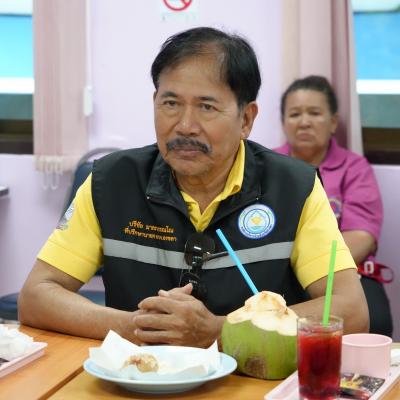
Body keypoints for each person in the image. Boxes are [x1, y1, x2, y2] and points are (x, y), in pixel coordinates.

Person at [19, 28, 369, 348]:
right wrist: (137, 326)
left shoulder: (294, 187)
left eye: (206, 107)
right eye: (170, 104)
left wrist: (218, 330)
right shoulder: (111, 181)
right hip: (138, 376)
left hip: (252, 379)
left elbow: (350, 311)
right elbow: (36, 295)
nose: (185, 126)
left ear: (246, 119)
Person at [275, 75, 392, 336]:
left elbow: (362, 237)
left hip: (348, 274)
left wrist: (311, 270)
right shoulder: (266, 166)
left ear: (333, 122)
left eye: (314, 113)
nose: (304, 122)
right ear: (284, 122)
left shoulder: (354, 167)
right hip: (279, 275)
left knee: (376, 322)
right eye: (295, 114)